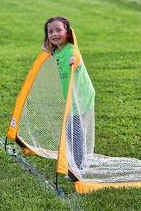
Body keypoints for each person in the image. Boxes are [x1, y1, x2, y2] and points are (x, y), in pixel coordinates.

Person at [42, 16, 95, 169]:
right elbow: (51, 49)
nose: (54, 34)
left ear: (68, 32)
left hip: (82, 96)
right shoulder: (58, 50)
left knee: (73, 130)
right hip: (73, 97)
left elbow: (76, 58)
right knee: (73, 129)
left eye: (59, 30)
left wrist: (74, 61)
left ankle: (80, 164)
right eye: (50, 31)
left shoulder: (71, 50)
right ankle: (80, 160)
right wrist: (47, 47)